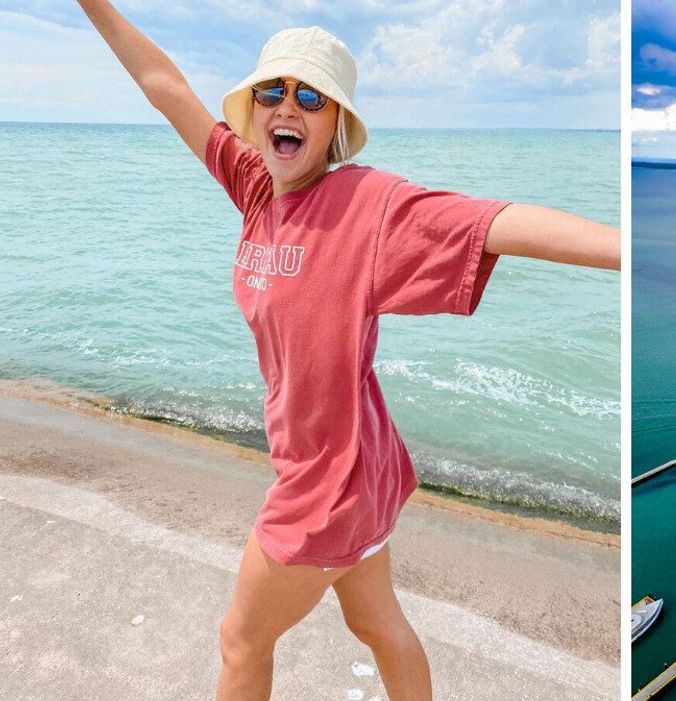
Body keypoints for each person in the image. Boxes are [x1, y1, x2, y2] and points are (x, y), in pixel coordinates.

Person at [76, 3, 620, 700]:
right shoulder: (255, 190)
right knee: (378, 624)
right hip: (360, 471)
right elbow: (165, 86)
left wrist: (631, 248)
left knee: (240, 639)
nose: (289, 107)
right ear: (254, 108)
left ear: (335, 126)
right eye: (273, 91)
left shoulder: (368, 207)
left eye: (312, 97)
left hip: (325, 488)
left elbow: (496, 223)